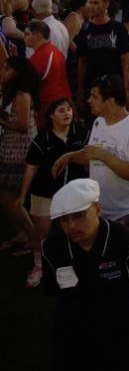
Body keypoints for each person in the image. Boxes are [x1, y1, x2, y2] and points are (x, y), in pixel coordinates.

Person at [41, 178, 129, 371]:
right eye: (64, 220)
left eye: (78, 216)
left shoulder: (128, 243)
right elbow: (53, 291)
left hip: (121, 350)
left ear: (97, 208)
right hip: (71, 351)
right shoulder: (51, 248)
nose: (71, 226)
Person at [53, 74, 129, 236]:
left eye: (95, 96)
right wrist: (69, 156)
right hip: (101, 213)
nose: (88, 100)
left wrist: (104, 155)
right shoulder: (99, 122)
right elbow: (93, 154)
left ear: (111, 100)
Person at [19, 96, 86, 289]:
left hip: (74, 191)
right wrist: (22, 196)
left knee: (75, 230)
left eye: (69, 109)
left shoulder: (81, 133)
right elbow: (31, 167)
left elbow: (91, 158)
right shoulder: (43, 138)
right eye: (61, 110)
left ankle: (71, 266)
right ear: (51, 116)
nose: (67, 113)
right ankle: (39, 266)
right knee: (42, 233)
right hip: (44, 191)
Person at [0, 57, 39, 254]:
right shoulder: (13, 92)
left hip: (20, 150)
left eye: (7, 68)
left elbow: (23, 126)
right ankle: (21, 234)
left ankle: (34, 239)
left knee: (13, 199)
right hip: (10, 148)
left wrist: (2, 122)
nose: (2, 71)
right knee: (6, 197)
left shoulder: (22, 94)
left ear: (17, 72)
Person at [75, 0, 129, 105]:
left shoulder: (118, 29)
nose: (91, 6)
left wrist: (126, 88)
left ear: (106, 5)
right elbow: (82, 62)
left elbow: (125, 61)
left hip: (113, 86)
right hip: (92, 87)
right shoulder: (85, 30)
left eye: (96, 3)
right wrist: (80, 90)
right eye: (89, 2)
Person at [24, 20, 71, 129]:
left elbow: (26, 84)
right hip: (62, 102)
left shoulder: (40, 56)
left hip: (49, 106)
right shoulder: (54, 51)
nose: (24, 37)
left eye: (27, 34)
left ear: (38, 36)